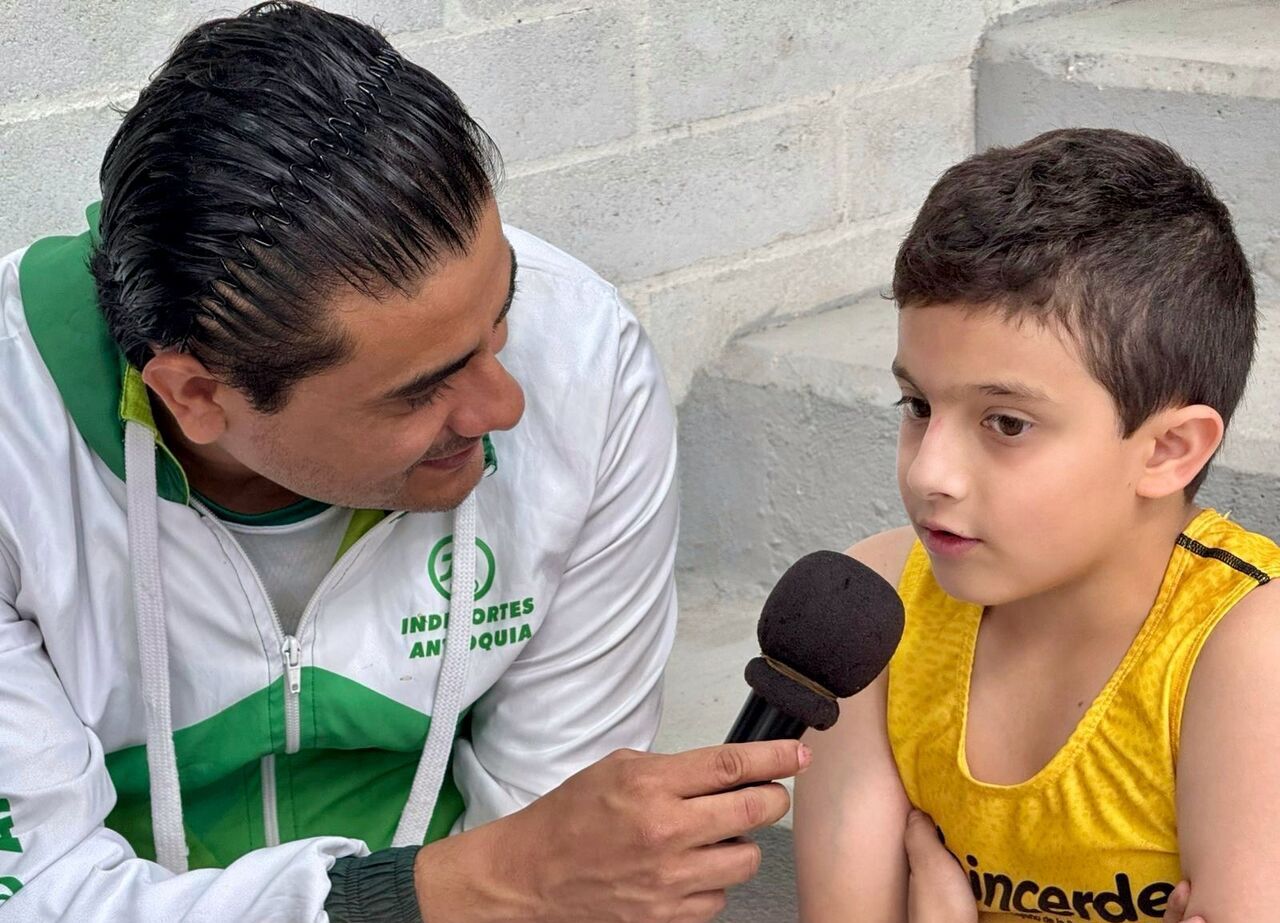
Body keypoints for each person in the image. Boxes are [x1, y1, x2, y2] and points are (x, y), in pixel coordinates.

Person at [0, 3, 805, 920]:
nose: (505, 405)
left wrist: (517, 883)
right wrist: (447, 890)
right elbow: (42, 896)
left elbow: (565, 847)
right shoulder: (16, 442)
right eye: (421, 388)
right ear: (196, 395)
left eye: (500, 310)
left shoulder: (587, 356)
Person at [793, 128, 1280, 922]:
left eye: (1006, 423)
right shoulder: (873, 613)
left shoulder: (1247, 649)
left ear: (1166, 450)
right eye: (918, 406)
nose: (928, 473)